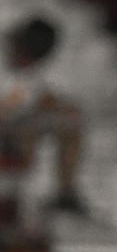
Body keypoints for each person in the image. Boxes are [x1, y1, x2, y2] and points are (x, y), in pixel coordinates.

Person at [0, 18, 86, 231]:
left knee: (71, 120)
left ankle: (65, 192)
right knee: (30, 127)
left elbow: (46, 100)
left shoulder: (32, 75)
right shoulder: (6, 68)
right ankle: (19, 204)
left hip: (17, 128)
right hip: (10, 128)